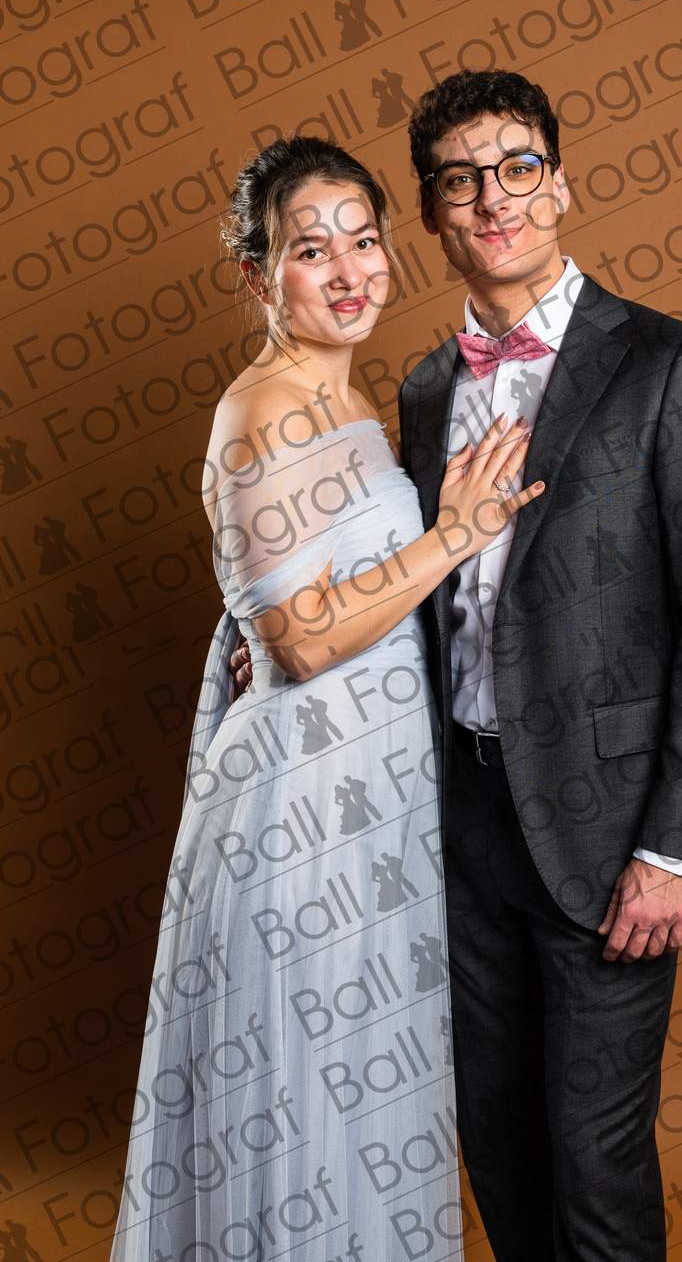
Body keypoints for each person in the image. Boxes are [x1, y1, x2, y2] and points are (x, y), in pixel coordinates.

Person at [231, 71, 682, 1261]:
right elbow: (380, 583)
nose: (495, 198)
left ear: (559, 184)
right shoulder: (423, 390)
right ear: (433, 214)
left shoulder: (673, 364)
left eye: (518, 166)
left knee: (594, 1159)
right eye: (461, 180)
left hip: (609, 827)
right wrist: (249, 637)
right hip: (451, 824)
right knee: (497, 1144)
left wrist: (675, 848)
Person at [109, 135, 543, 1260]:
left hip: (370, 810)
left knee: (358, 1110)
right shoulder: (263, 407)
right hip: (298, 825)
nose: (350, 271)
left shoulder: (347, 399)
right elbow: (299, 642)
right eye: (312, 250)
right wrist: (453, 535)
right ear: (258, 274)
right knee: (300, 1106)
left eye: (364, 240)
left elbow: (289, 598)